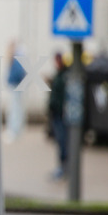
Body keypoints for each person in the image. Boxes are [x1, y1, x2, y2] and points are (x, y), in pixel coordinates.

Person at [48, 52, 68, 180]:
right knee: (60, 141)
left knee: (63, 141)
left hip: (61, 114)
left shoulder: (65, 76)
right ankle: (62, 168)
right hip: (56, 113)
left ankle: (64, 168)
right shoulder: (59, 74)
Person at [5, 40, 27, 142]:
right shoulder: (18, 57)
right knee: (16, 109)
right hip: (16, 85)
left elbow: (18, 73)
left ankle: (14, 130)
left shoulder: (17, 57)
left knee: (15, 109)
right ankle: (16, 130)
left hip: (16, 86)